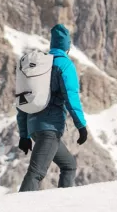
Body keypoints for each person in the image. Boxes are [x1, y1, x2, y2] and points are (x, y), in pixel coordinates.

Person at [17, 24, 88, 192]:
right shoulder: (64, 65)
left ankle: (61, 204)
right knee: (36, 173)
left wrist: (24, 135)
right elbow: (71, 97)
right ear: (67, 45)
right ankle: (19, 209)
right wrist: (81, 126)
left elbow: (22, 102)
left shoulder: (40, 65)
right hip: (50, 128)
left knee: (69, 165)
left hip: (35, 127)